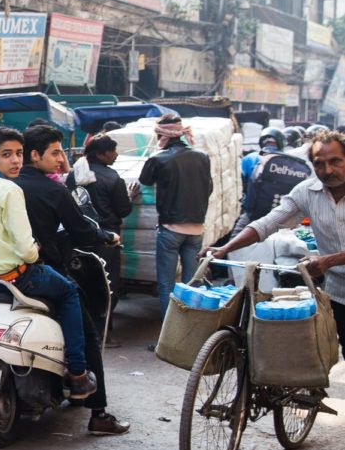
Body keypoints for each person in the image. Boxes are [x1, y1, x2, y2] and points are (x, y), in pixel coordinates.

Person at [0, 127, 99, 405]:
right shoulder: (10, 189)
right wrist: (34, 249)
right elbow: (27, 251)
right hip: (17, 278)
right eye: (7, 155)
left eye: (18, 153)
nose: (15, 160)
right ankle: (78, 374)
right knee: (69, 293)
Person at [12, 126, 129, 435]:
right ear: (34, 155)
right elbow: (81, 229)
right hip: (42, 271)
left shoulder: (6, 186)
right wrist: (108, 236)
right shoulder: (53, 190)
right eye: (55, 153)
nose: (61, 159)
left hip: (1, 272)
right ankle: (95, 407)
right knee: (87, 331)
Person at [210, 129, 345, 358]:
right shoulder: (307, 192)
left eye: (335, 161)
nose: (328, 170)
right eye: (319, 164)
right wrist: (224, 249)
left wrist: (328, 261)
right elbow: (267, 224)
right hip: (338, 292)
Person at [139, 114, 212, 318]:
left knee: (166, 284)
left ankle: (169, 331)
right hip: (196, 230)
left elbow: (145, 180)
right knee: (192, 284)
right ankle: (190, 328)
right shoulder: (202, 156)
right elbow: (209, 188)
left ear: (162, 136)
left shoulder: (158, 158)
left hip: (170, 229)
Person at [68, 134, 133, 319]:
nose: (116, 155)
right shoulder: (113, 178)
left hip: (79, 237)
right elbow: (123, 210)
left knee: (83, 280)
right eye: (112, 151)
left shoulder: (74, 175)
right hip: (107, 239)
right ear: (100, 154)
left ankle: (86, 320)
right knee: (107, 281)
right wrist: (130, 197)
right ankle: (105, 324)